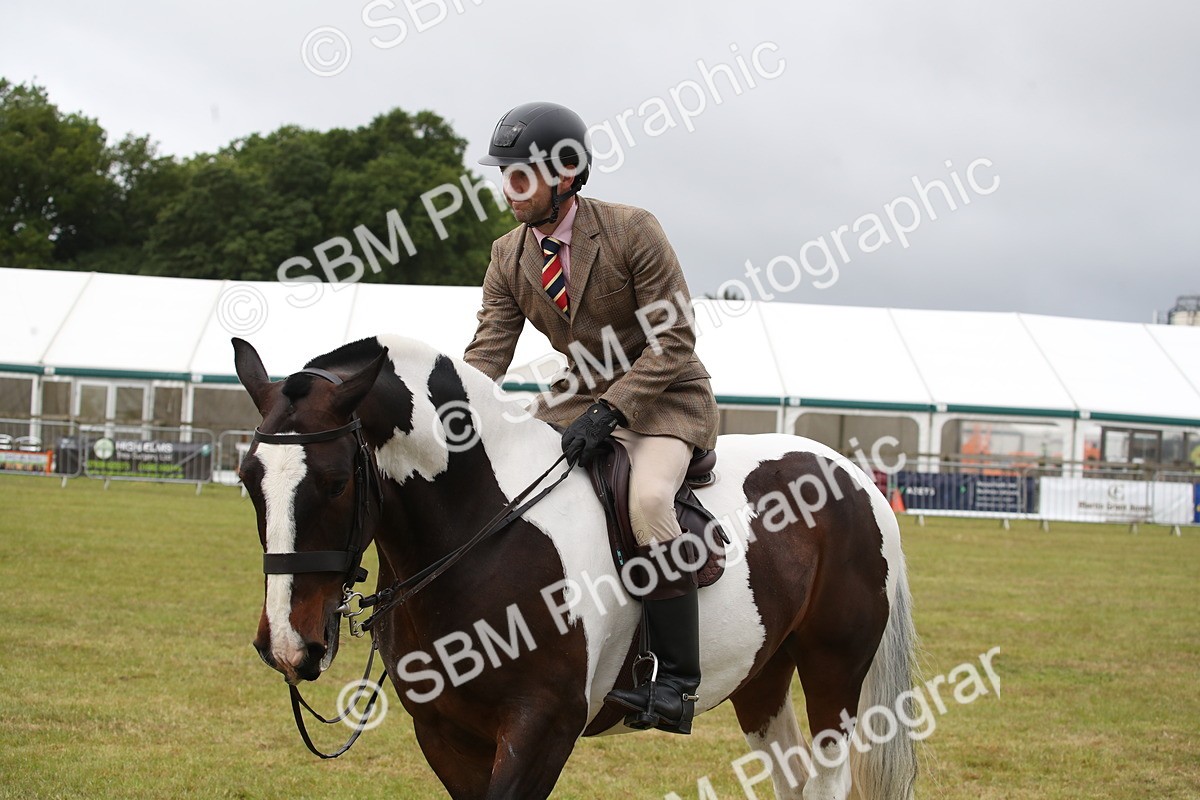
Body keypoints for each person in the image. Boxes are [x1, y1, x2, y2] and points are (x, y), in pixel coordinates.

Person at [463, 102, 720, 735]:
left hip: (664, 396)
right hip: (576, 398)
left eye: (521, 175)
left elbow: (675, 338)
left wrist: (613, 410)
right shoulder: (506, 255)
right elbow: (488, 352)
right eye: (505, 175)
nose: (509, 189)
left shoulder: (633, 230)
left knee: (650, 502)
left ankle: (676, 684)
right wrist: (451, 407)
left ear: (567, 173)